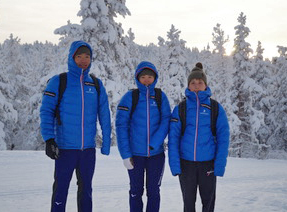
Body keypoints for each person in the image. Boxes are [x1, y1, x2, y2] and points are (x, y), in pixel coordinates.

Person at [40, 40, 111, 212]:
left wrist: (106, 140)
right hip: (65, 148)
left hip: (87, 150)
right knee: (61, 189)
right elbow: (46, 112)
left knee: (86, 190)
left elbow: (104, 114)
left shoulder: (95, 84)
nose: (83, 60)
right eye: (79, 56)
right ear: (72, 58)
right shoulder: (59, 81)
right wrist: (49, 139)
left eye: (87, 56)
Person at [168, 62, 230, 212]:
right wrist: (175, 165)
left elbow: (223, 138)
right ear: (188, 86)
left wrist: (220, 164)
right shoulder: (181, 108)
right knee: (188, 203)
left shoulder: (215, 108)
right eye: (193, 83)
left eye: (200, 82)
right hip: (186, 164)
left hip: (208, 164)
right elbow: (173, 139)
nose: (196, 85)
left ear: (205, 85)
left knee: (208, 203)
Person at [116, 61, 171, 212]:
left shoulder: (160, 96)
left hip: (156, 155)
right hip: (135, 156)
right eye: (143, 77)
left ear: (155, 78)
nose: (147, 80)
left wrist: (155, 142)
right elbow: (121, 126)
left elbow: (167, 120)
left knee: (153, 191)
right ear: (137, 78)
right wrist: (126, 155)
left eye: (150, 77)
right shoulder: (130, 97)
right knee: (135, 192)